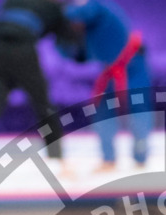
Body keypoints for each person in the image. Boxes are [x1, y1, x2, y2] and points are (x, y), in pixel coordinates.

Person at [0, 0, 75, 174]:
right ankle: (59, 160)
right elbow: (68, 39)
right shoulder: (55, 9)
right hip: (22, 51)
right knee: (44, 106)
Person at [61, 0, 153, 170]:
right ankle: (108, 158)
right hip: (109, 71)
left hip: (132, 66)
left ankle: (141, 157)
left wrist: (56, 15)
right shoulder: (84, 30)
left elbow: (87, 11)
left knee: (138, 110)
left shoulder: (99, 10)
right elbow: (74, 53)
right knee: (103, 112)